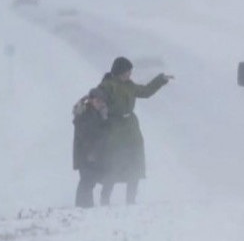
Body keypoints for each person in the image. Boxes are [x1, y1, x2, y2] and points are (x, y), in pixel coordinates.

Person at [97, 56, 171, 205]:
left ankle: (131, 200)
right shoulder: (108, 85)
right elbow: (98, 100)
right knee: (113, 162)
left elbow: (146, 91)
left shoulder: (130, 85)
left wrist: (160, 80)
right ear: (119, 71)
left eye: (130, 72)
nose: (129, 74)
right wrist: (102, 112)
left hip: (130, 127)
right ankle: (105, 198)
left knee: (134, 161)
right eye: (127, 71)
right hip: (114, 127)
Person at [72, 87, 110, 208]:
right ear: (91, 100)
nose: (100, 104)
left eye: (102, 101)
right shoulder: (85, 114)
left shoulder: (96, 113)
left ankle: (85, 206)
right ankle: (82, 206)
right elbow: (86, 135)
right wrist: (90, 152)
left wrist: (104, 119)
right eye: (98, 101)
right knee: (87, 180)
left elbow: (101, 131)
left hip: (93, 152)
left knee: (90, 180)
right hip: (86, 153)